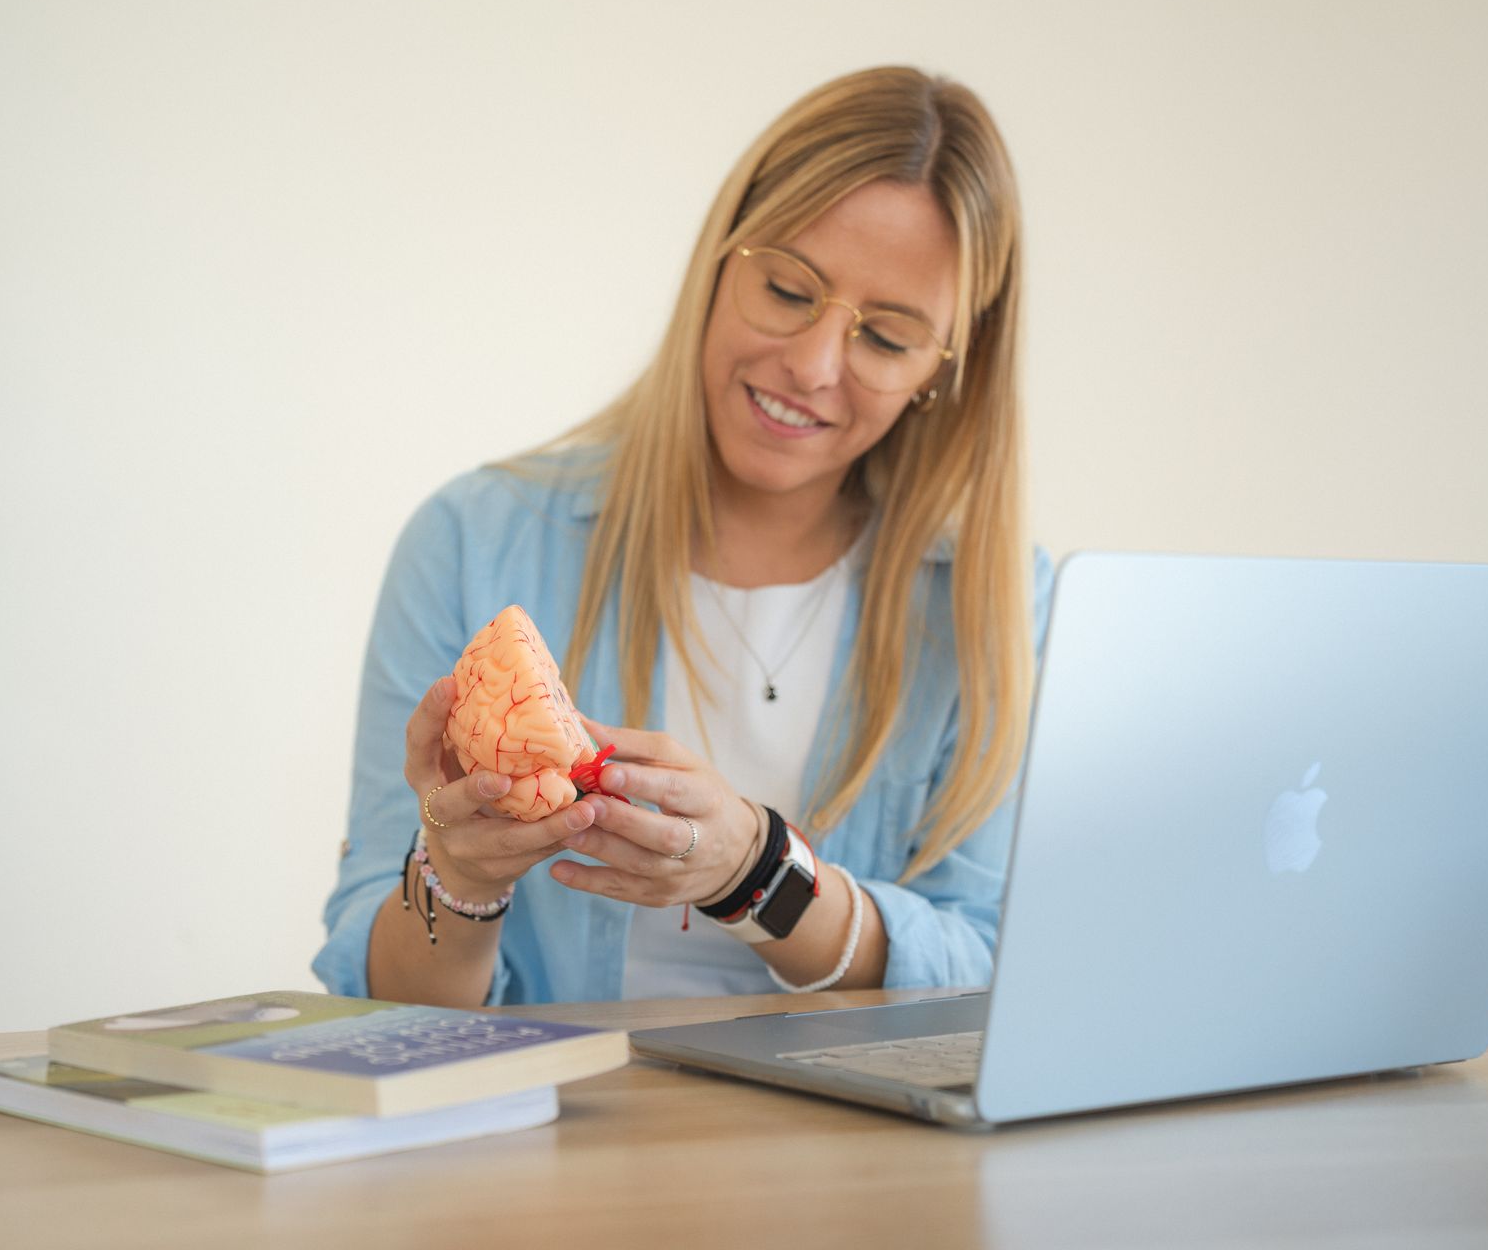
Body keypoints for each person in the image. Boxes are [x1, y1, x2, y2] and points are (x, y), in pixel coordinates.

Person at [314, 65, 1053, 1008]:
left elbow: (987, 970)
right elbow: (380, 1000)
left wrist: (756, 870)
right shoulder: (472, 540)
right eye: (787, 289)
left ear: (943, 373)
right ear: (717, 264)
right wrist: (459, 876)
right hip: (555, 1102)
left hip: (845, 1113)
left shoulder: (996, 606)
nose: (814, 365)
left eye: (887, 338)